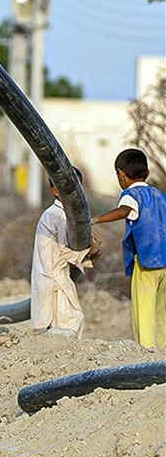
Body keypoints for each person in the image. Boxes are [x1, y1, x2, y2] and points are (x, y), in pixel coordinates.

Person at [91, 148, 166, 349]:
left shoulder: (131, 195)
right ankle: (162, 352)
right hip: (165, 260)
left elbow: (125, 210)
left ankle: (146, 353)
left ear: (121, 174)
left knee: (144, 310)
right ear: (147, 173)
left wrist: (98, 219)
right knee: (160, 310)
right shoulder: (159, 195)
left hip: (146, 262)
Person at [30, 167, 101, 339]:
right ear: (55, 191)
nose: (76, 192)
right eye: (70, 187)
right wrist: (91, 250)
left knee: (63, 325)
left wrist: (89, 256)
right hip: (55, 282)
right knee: (70, 323)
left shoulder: (60, 215)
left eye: (78, 186)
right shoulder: (58, 216)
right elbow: (64, 251)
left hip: (55, 279)